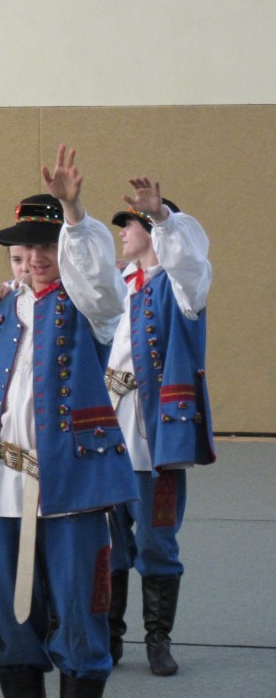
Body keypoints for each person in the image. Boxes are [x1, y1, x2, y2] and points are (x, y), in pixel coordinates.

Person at [0, 145, 138, 698]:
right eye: (22, 247)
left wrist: (75, 215)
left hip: (74, 485)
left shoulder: (93, 308)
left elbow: (100, 282)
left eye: (45, 245)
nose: (32, 256)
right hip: (3, 489)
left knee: (83, 619)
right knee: (13, 625)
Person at [103, 179, 214, 676]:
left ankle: (157, 640)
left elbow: (190, 262)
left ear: (149, 229)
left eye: (129, 223)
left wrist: (164, 217)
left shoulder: (181, 284)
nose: (122, 232)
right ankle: (109, 638)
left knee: (155, 540)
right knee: (107, 542)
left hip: (156, 435)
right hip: (108, 431)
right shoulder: (115, 283)